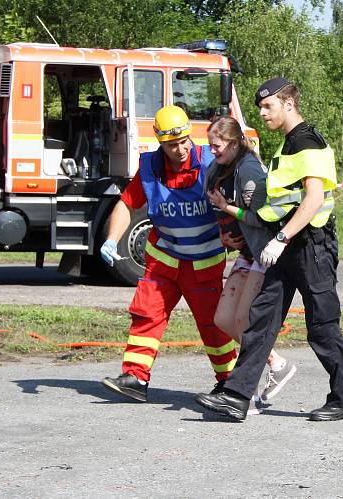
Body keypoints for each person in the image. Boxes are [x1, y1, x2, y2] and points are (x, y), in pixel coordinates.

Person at [195, 77, 343, 421]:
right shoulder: (286, 145)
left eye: (268, 106)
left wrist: (281, 238)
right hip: (285, 246)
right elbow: (282, 202)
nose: (262, 113)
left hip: (311, 246)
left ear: (289, 104)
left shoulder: (307, 142)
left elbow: (314, 198)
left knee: (322, 327)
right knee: (260, 321)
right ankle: (237, 397)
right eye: (260, 107)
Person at [101, 105, 237, 402]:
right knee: (146, 315)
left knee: (213, 324)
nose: (180, 149)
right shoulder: (150, 168)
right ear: (161, 143)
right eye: (172, 145)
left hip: (204, 262)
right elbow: (126, 204)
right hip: (163, 259)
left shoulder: (210, 164)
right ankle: (135, 378)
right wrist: (112, 239)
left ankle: (229, 382)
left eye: (184, 141)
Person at [205, 116, 297, 408]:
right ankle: (276, 363)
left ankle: (256, 382)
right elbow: (217, 210)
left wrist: (227, 208)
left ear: (233, 143)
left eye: (217, 146)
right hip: (244, 252)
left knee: (246, 321)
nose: (213, 151)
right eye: (210, 146)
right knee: (222, 319)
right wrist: (223, 235)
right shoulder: (218, 167)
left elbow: (260, 218)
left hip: (262, 252)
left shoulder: (249, 172)